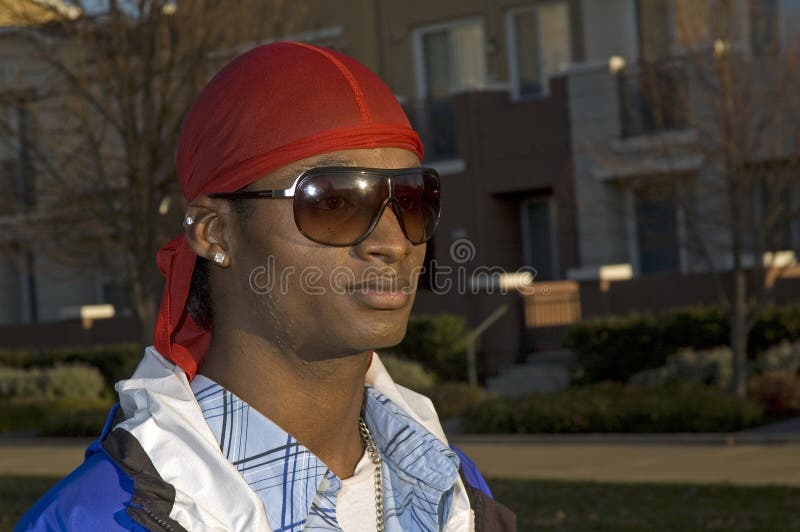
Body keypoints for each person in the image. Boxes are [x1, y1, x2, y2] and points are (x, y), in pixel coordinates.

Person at [17, 42, 516, 531]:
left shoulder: (455, 491)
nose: (394, 242)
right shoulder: (98, 519)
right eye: (334, 202)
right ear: (215, 233)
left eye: (411, 201)